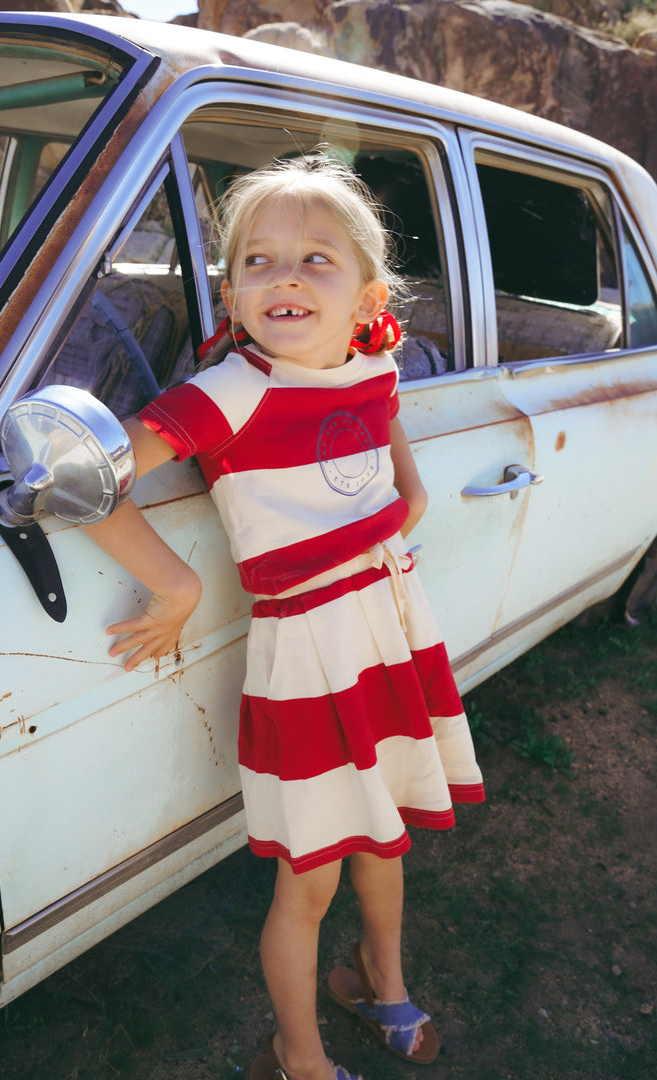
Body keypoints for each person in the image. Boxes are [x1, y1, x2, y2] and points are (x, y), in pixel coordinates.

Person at [83, 154, 484, 1080]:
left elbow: (405, 488)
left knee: (385, 830)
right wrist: (176, 587)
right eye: (257, 262)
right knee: (309, 873)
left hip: (384, 629)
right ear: (232, 291)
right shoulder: (230, 391)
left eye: (314, 259)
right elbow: (89, 481)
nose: (285, 276)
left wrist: (381, 536)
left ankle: (378, 977)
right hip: (307, 653)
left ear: (366, 294)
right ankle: (296, 1054)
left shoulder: (375, 369)